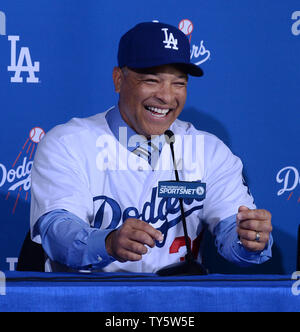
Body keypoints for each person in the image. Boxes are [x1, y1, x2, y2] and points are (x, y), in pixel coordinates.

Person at [30, 22, 273, 273]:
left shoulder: (209, 151)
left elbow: (234, 237)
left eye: (178, 83)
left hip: (178, 306)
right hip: (87, 303)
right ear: (118, 80)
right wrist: (107, 243)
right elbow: (57, 233)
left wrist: (249, 239)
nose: (166, 97)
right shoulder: (68, 143)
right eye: (151, 80)